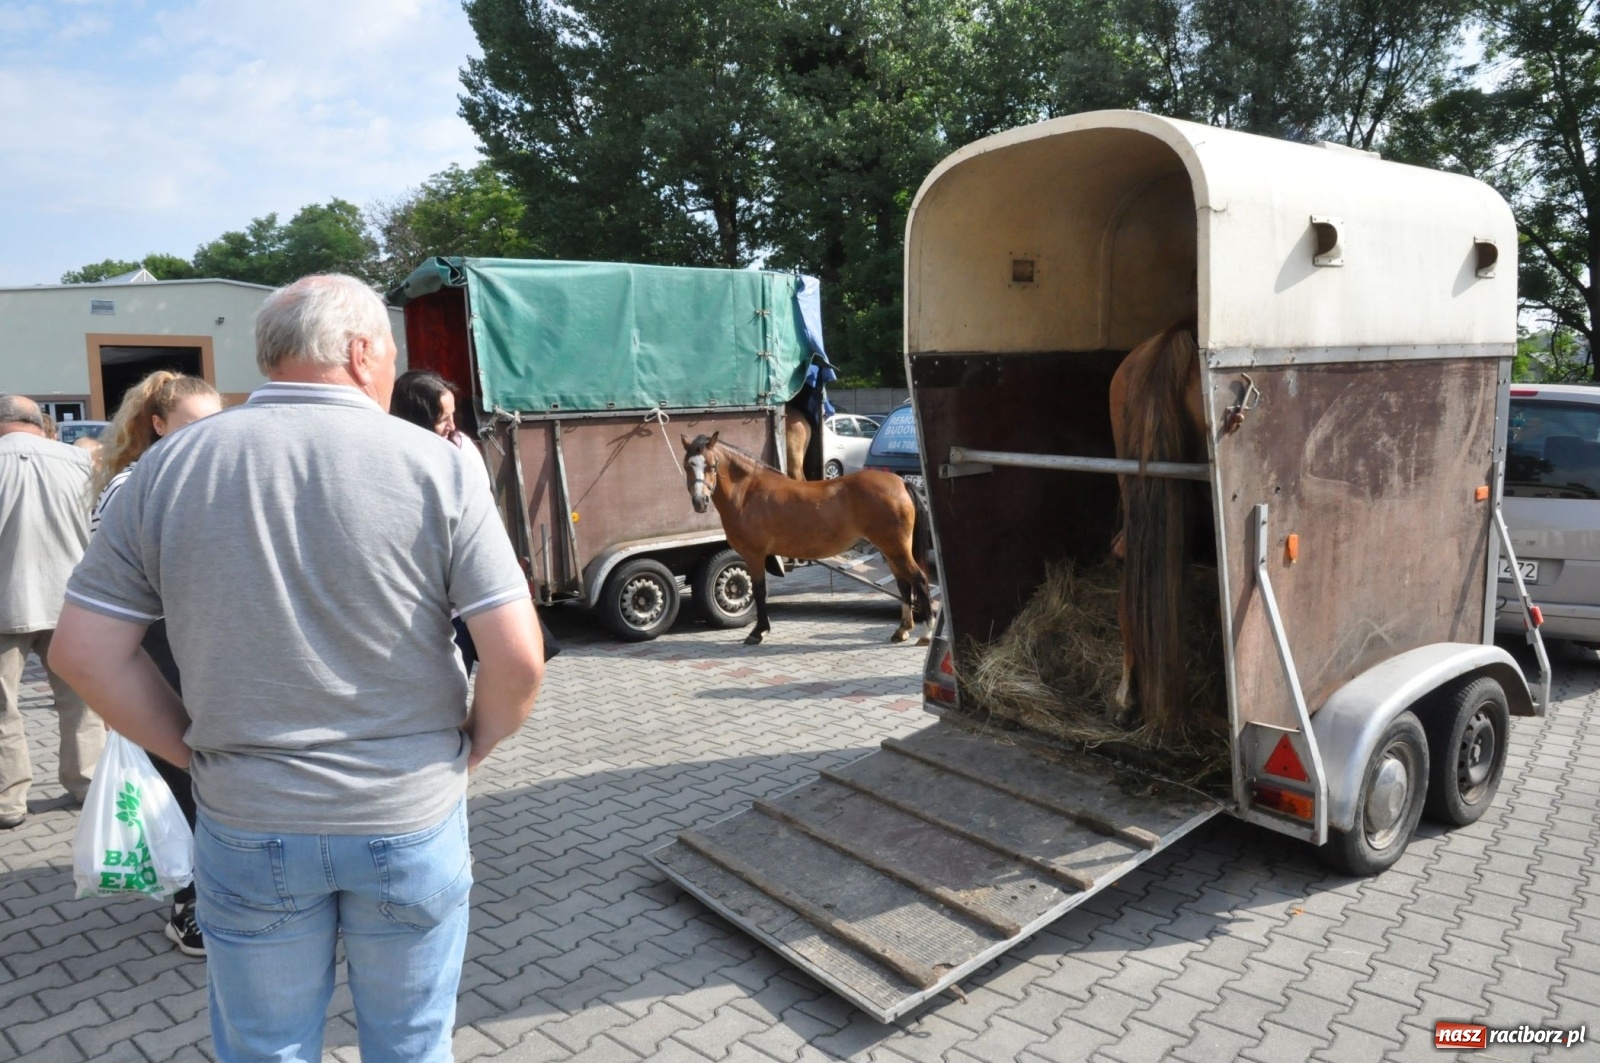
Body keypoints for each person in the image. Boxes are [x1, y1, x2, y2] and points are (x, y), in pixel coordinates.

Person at [51, 273, 545, 1063]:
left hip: (247, 815)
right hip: (407, 807)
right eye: (387, 349)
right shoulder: (440, 467)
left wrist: (194, 750)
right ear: (358, 352)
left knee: (265, 1048)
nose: (390, 366)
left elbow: (81, 652)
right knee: (413, 1043)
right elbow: (518, 655)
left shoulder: (165, 469)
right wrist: (473, 746)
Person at [92, 370, 223, 957]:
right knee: (180, 776)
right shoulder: (131, 486)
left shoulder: (204, 478)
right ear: (158, 424)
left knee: (214, 773)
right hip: (161, 647)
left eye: (214, 425)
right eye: (192, 426)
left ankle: (220, 890)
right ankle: (189, 904)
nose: (206, 437)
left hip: (206, 644)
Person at [0, 395, 104, 829]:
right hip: (72, 600)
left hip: (5, 603)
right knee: (82, 703)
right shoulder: (80, 463)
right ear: (40, 425)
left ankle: (8, 803)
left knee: (3, 709)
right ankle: (88, 785)